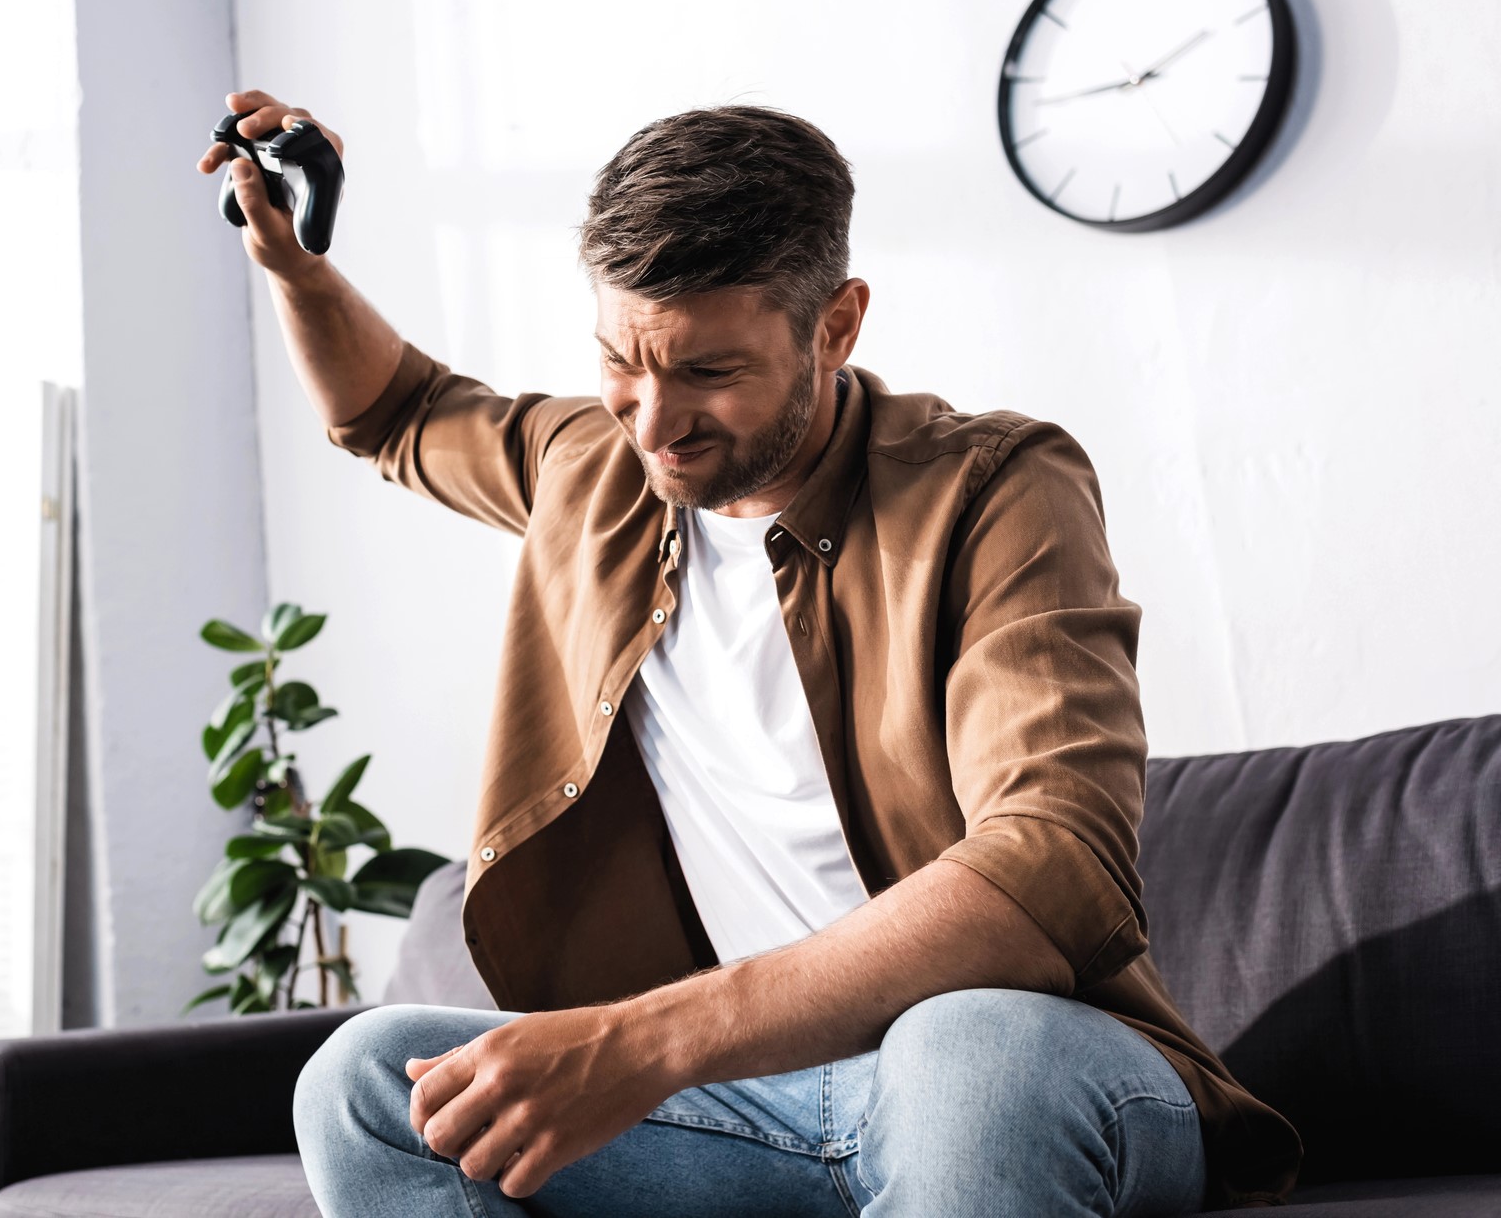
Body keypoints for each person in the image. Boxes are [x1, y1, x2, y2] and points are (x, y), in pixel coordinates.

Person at [196, 90, 1300, 1217]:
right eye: (621, 363)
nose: (654, 421)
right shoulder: (593, 468)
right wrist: (293, 266)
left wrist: (645, 1042)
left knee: (967, 1048)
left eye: (709, 373)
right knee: (371, 1082)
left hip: (1029, 1077)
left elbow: (1048, 868)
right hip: (750, 1113)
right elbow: (397, 411)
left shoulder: (991, 489)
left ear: (835, 325)